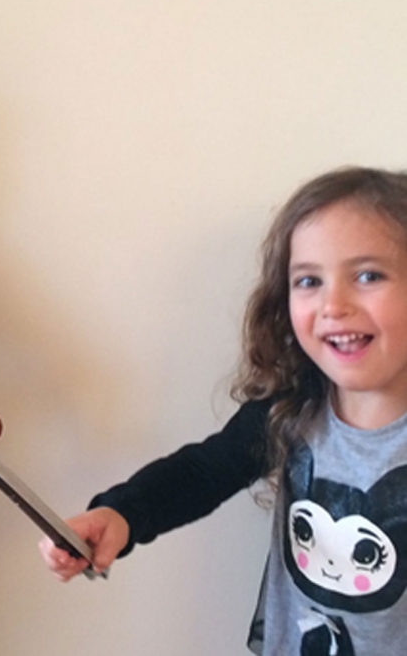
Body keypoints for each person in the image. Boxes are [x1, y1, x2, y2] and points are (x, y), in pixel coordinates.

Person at [40, 166, 407, 654]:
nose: (332, 304)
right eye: (308, 281)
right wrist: (121, 514)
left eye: (367, 275)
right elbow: (203, 472)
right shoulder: (292, 409)